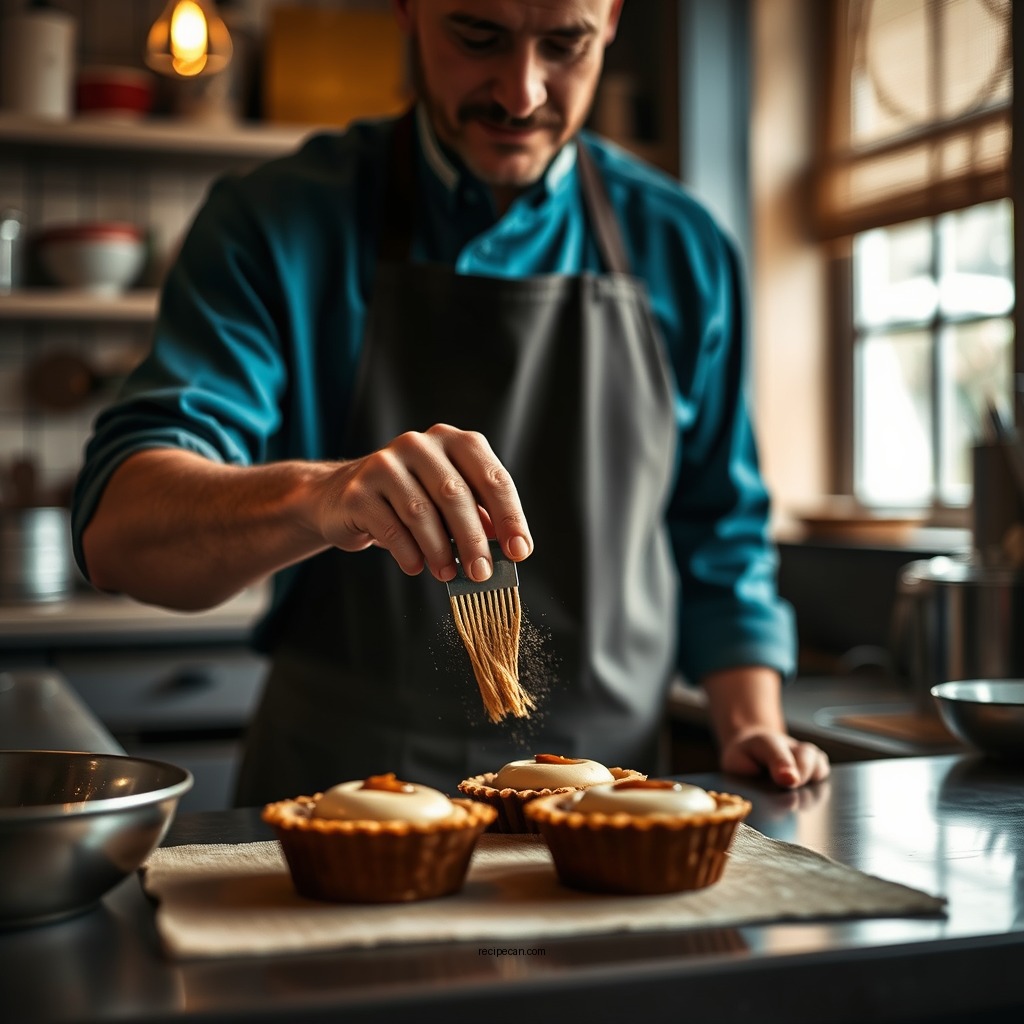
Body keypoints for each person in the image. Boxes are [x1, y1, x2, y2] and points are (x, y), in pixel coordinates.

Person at [72, 0, 830, 804]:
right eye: (478, 38)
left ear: (610, 21)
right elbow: (121, 532)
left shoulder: (684, 246)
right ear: (406, 10)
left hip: (607, 806)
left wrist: (750, 722)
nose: (521, 95)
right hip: (340, 803)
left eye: (563, 45)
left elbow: (719, 529)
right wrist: (319, 494)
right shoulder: (277, 221)